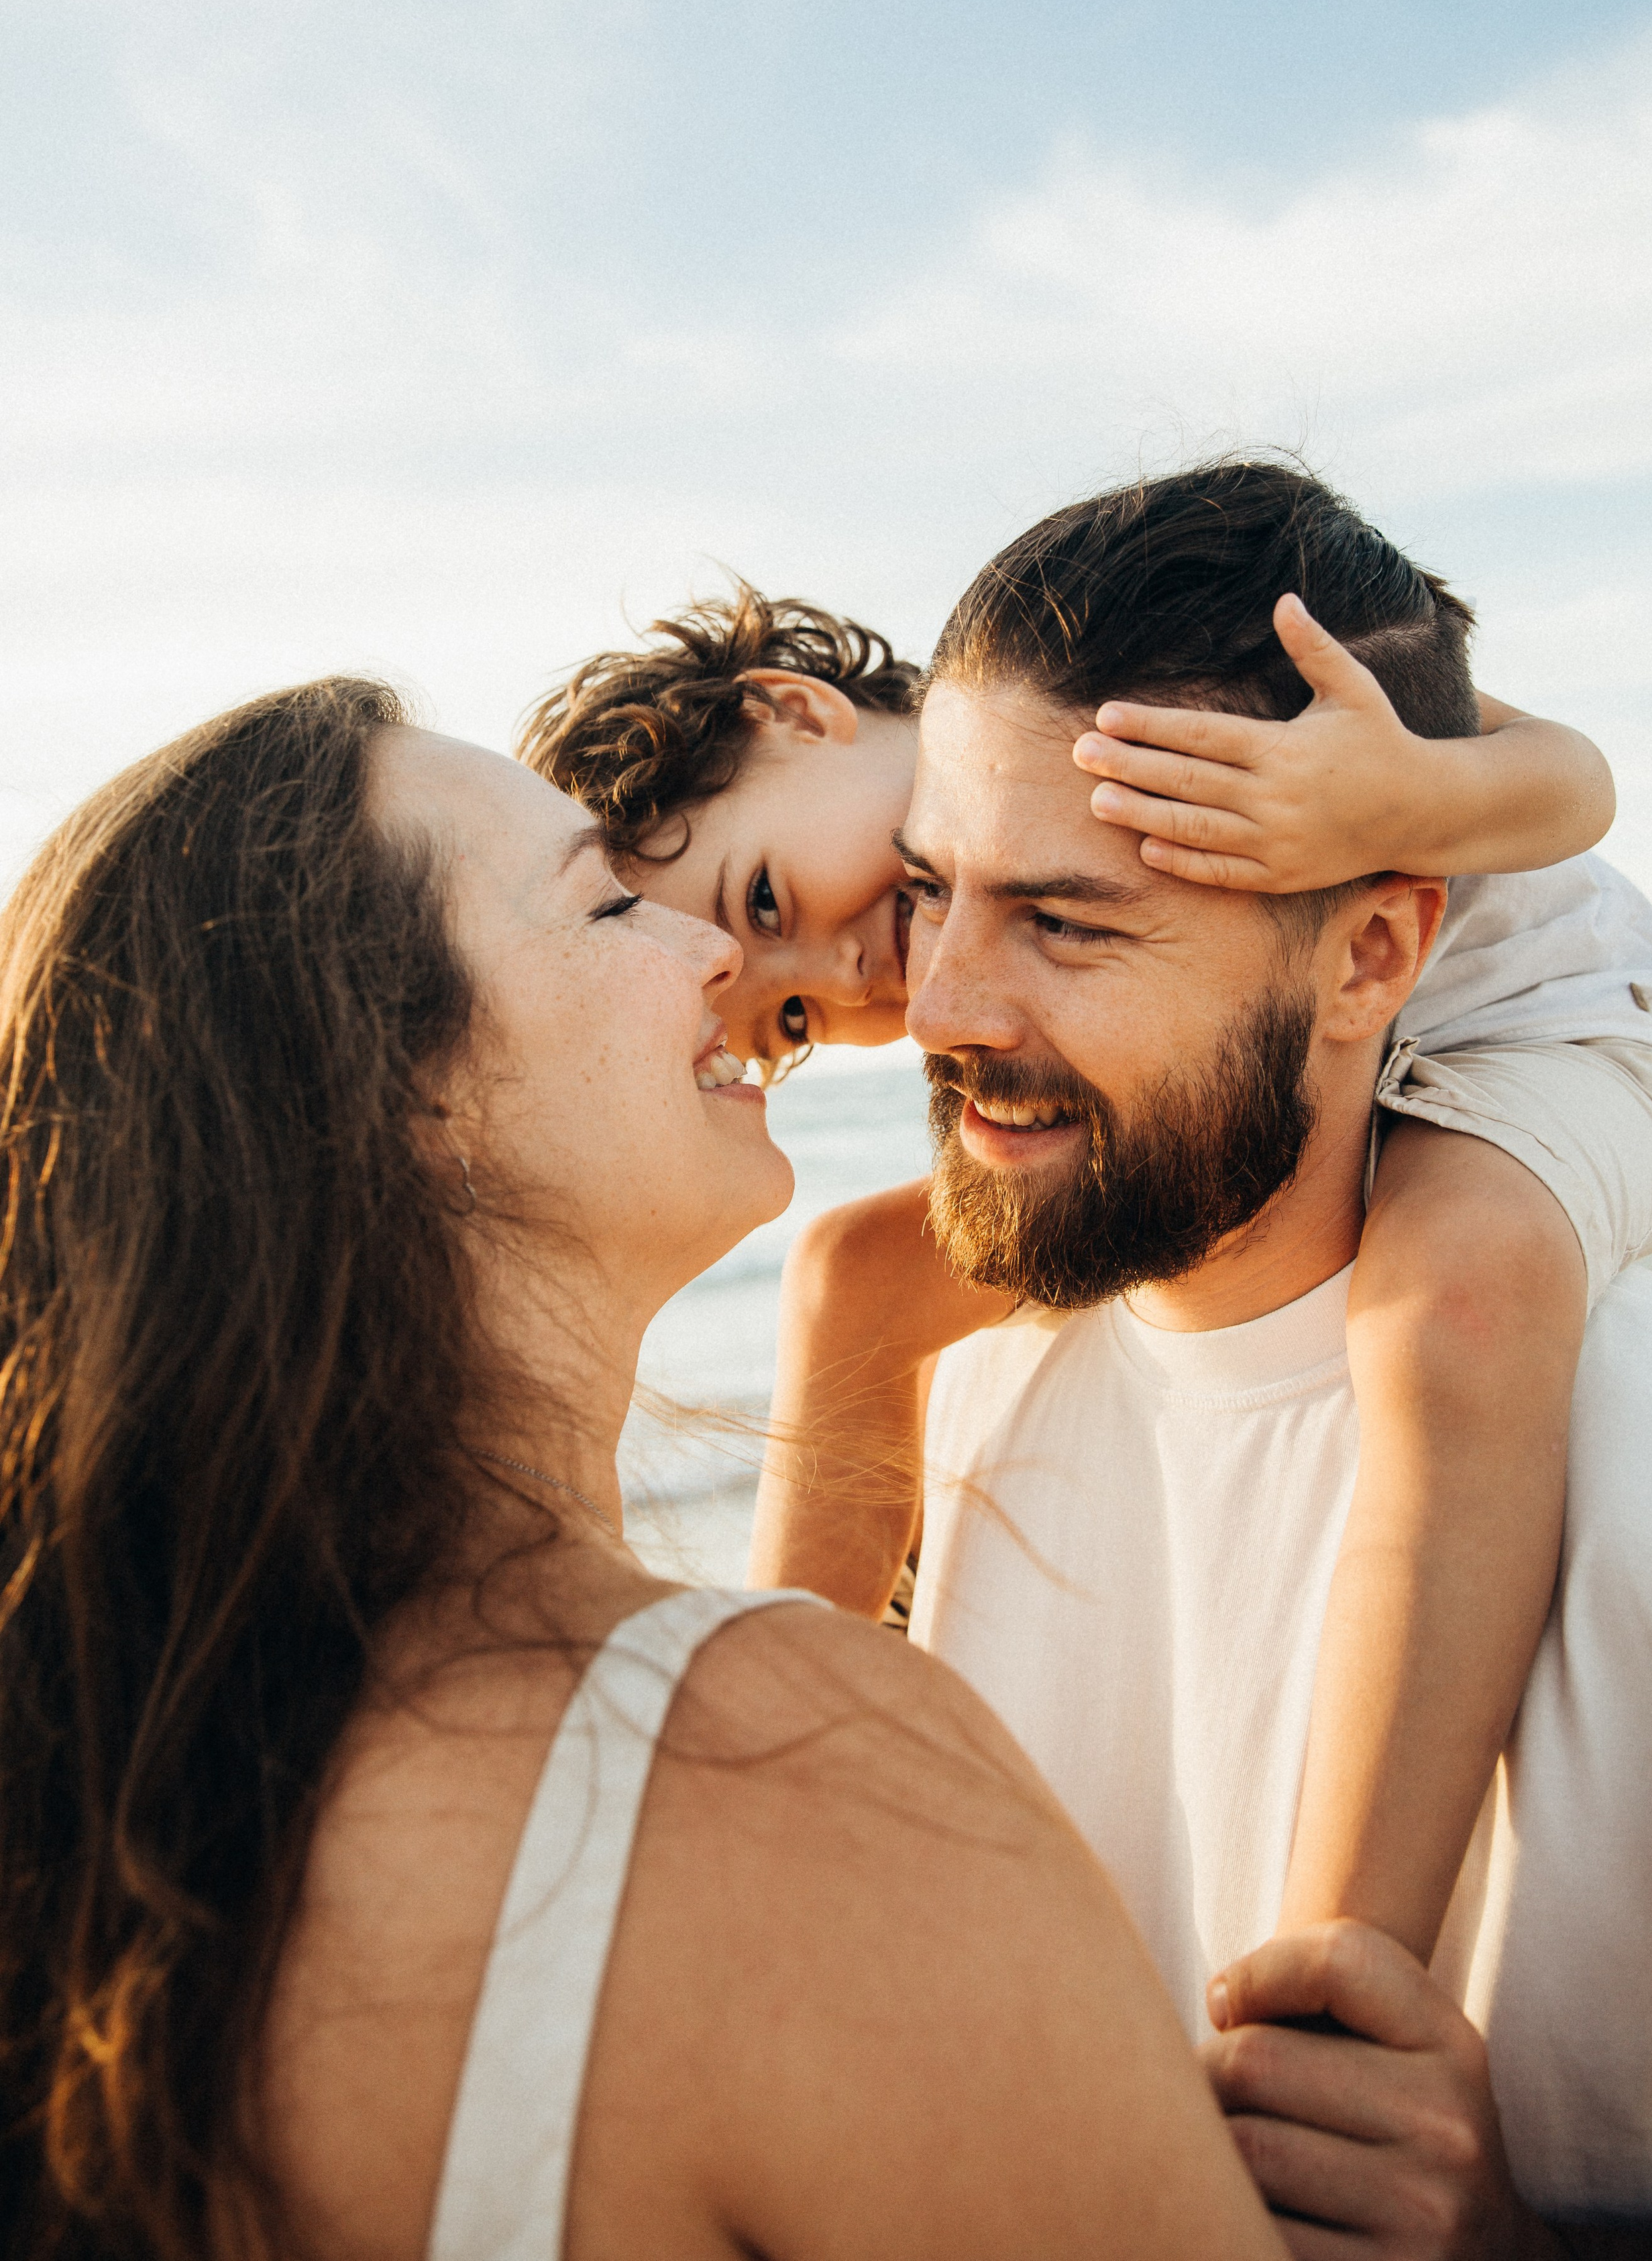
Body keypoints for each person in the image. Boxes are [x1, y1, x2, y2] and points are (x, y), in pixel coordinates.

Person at [0, 676, 1282, 2261]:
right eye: (608, 905)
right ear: (407, 1097)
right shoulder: (776, 1775)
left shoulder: (139, 1823)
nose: (718, 958)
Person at [520, 491, 1652, 1965]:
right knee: (850, 1270)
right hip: (1337, 1043)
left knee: (1450, 1286)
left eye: (766, 896)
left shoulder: (1210, 683)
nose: (862, 982)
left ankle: (1344, 1969)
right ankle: (760, 1796)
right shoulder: (971, 901)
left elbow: (1567, 782)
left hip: (1563, 1034)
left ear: (796, 713)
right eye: (784, 1017)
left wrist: (1389, 796)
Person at [877, 478, 1652, 2246]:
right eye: (929, 892)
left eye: (1070, 922)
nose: (938, 1006)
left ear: (1376, 955)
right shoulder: (960, 1428)